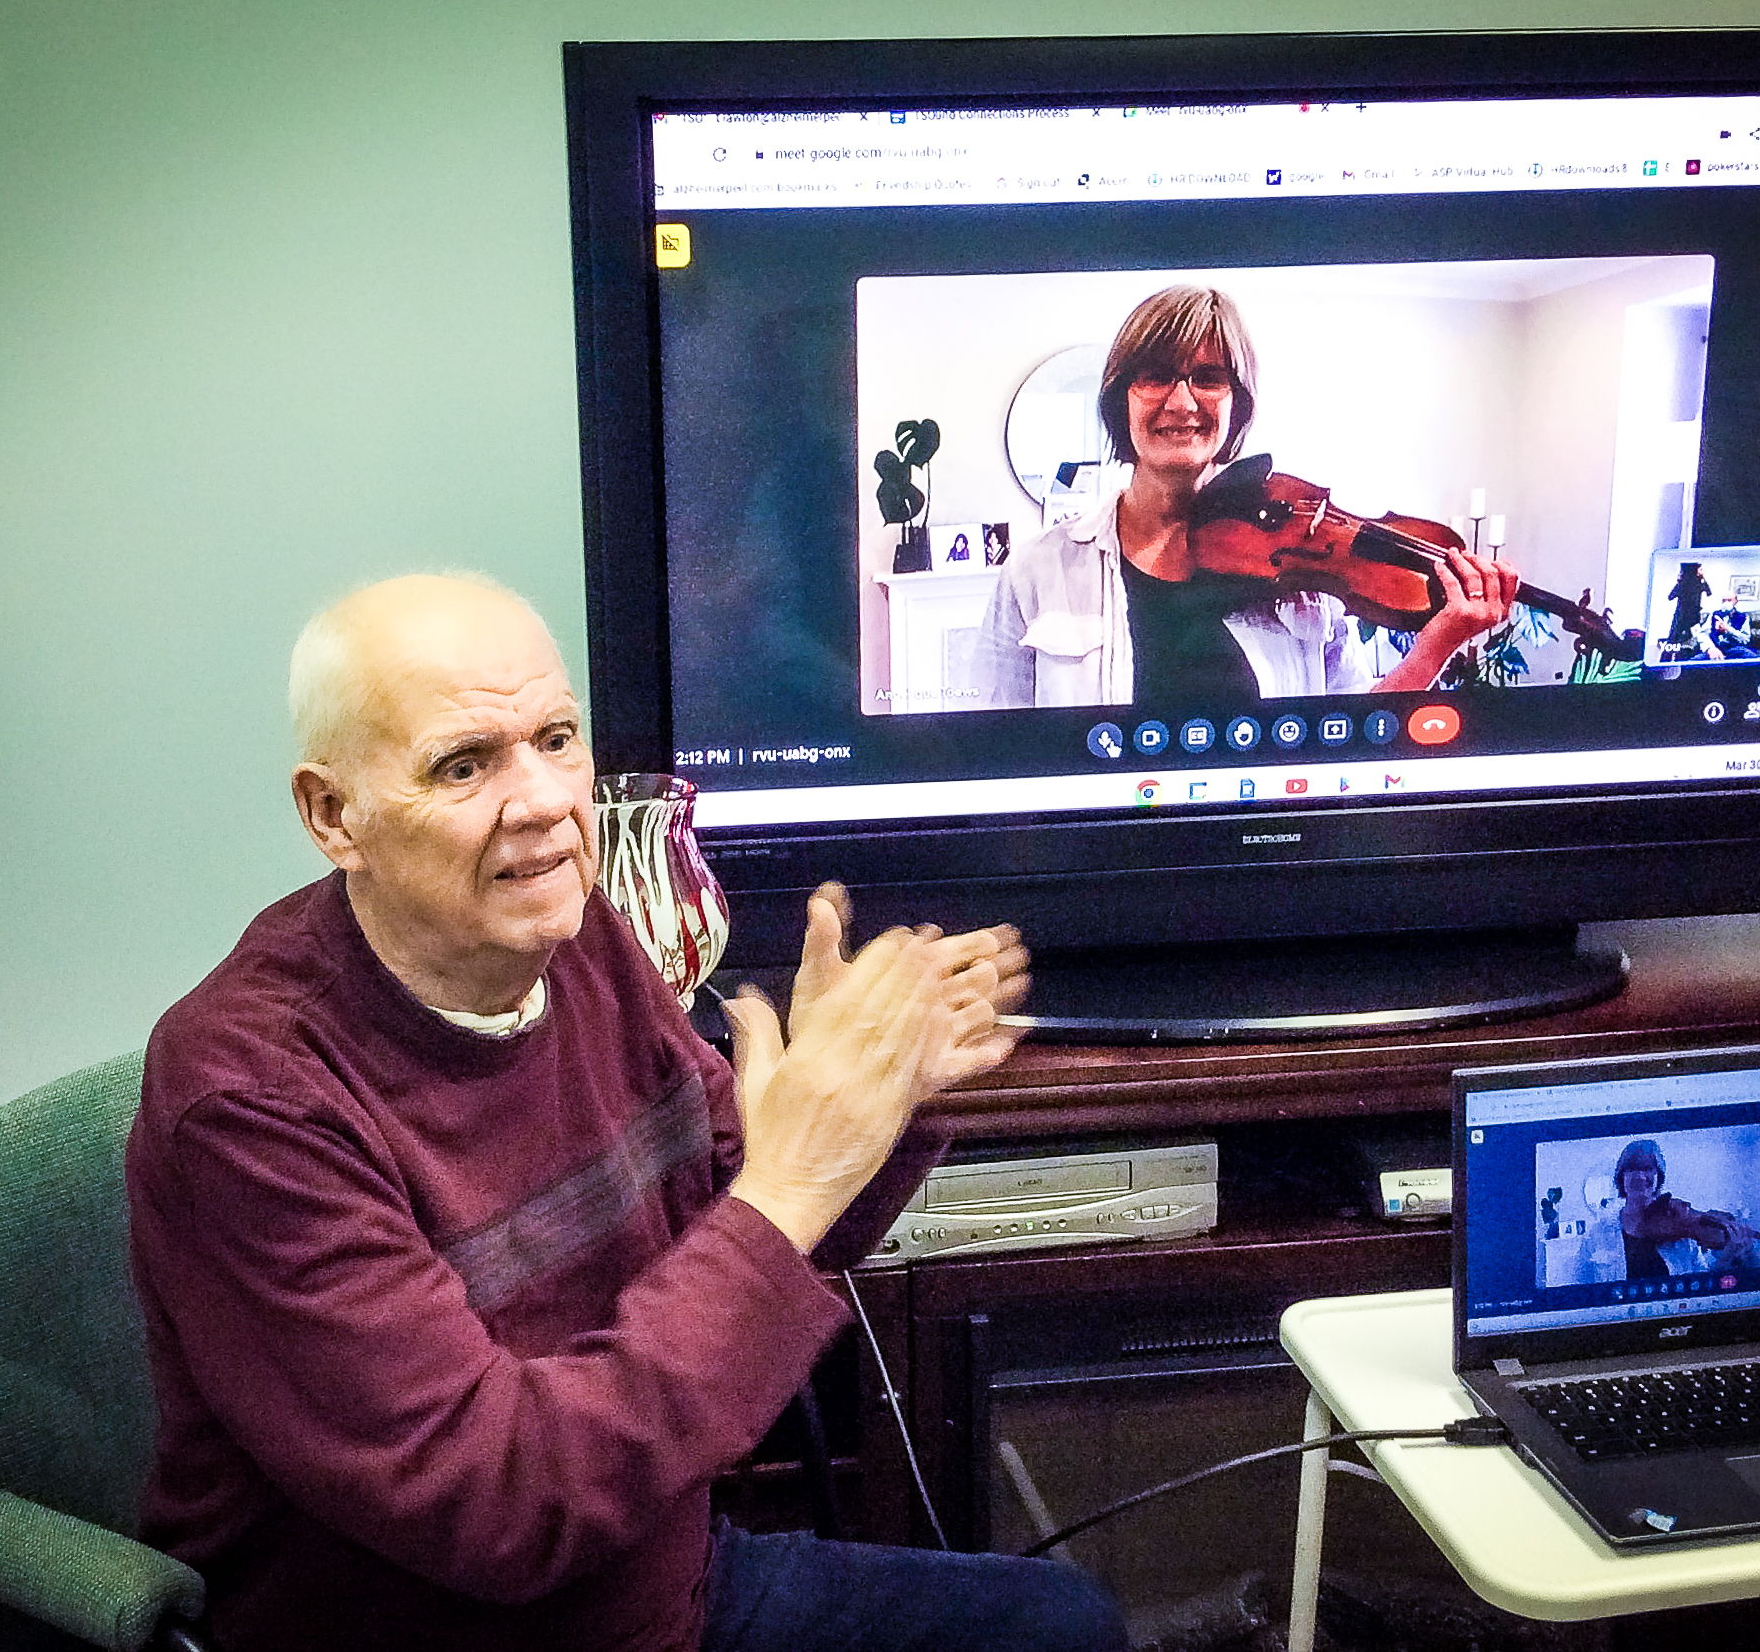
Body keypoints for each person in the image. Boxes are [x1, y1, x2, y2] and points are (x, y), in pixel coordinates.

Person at [126, 573, 1127, 1652]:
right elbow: (505, 1506)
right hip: (445, 1625)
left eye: (556, 739)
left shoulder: (581, 936)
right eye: (464, 764)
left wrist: (882, 1101)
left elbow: (762, 1230)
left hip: (660, 1587)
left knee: (1059, 1621)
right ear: (336, 816)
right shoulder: (250, 1097)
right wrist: (791, 1177)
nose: (546, 803)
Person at [972, 284, 1518, 708]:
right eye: (1156, 376)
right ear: (1121, 400)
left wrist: (1440, 641)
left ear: (1237, 403)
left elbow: (1355, 734)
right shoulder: (1038, 568)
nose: (1182, 401)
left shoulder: (1303, 575)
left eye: (1209, 378)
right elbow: (996, 745)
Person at [1613, 1138, 1760, 1280]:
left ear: (1658, 1175)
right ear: (1621, 1177)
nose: (1640, 1176)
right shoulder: (1599, 1235)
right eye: (1632, 1169)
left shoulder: (1679, 1228)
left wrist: (1727, 1256)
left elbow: (1702, 1280)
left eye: (1648, 1168)